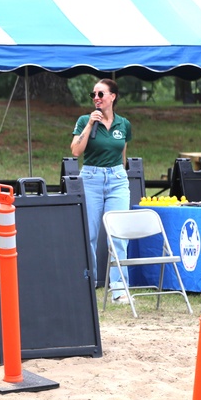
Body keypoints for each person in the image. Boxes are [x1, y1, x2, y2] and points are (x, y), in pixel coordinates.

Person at [70, 78, 133, 304]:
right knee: (90, 233)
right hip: (91, 178)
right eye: (93, 95)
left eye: (100, 94)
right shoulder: (85, 120)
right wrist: (89, 126)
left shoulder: (123, 124)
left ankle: (118, 289)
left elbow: (122, 152)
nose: (96, 98)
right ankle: (89, 284)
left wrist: (122, 174)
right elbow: (76, 150)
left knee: (117, 235)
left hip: (117, 179)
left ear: (112, 97)